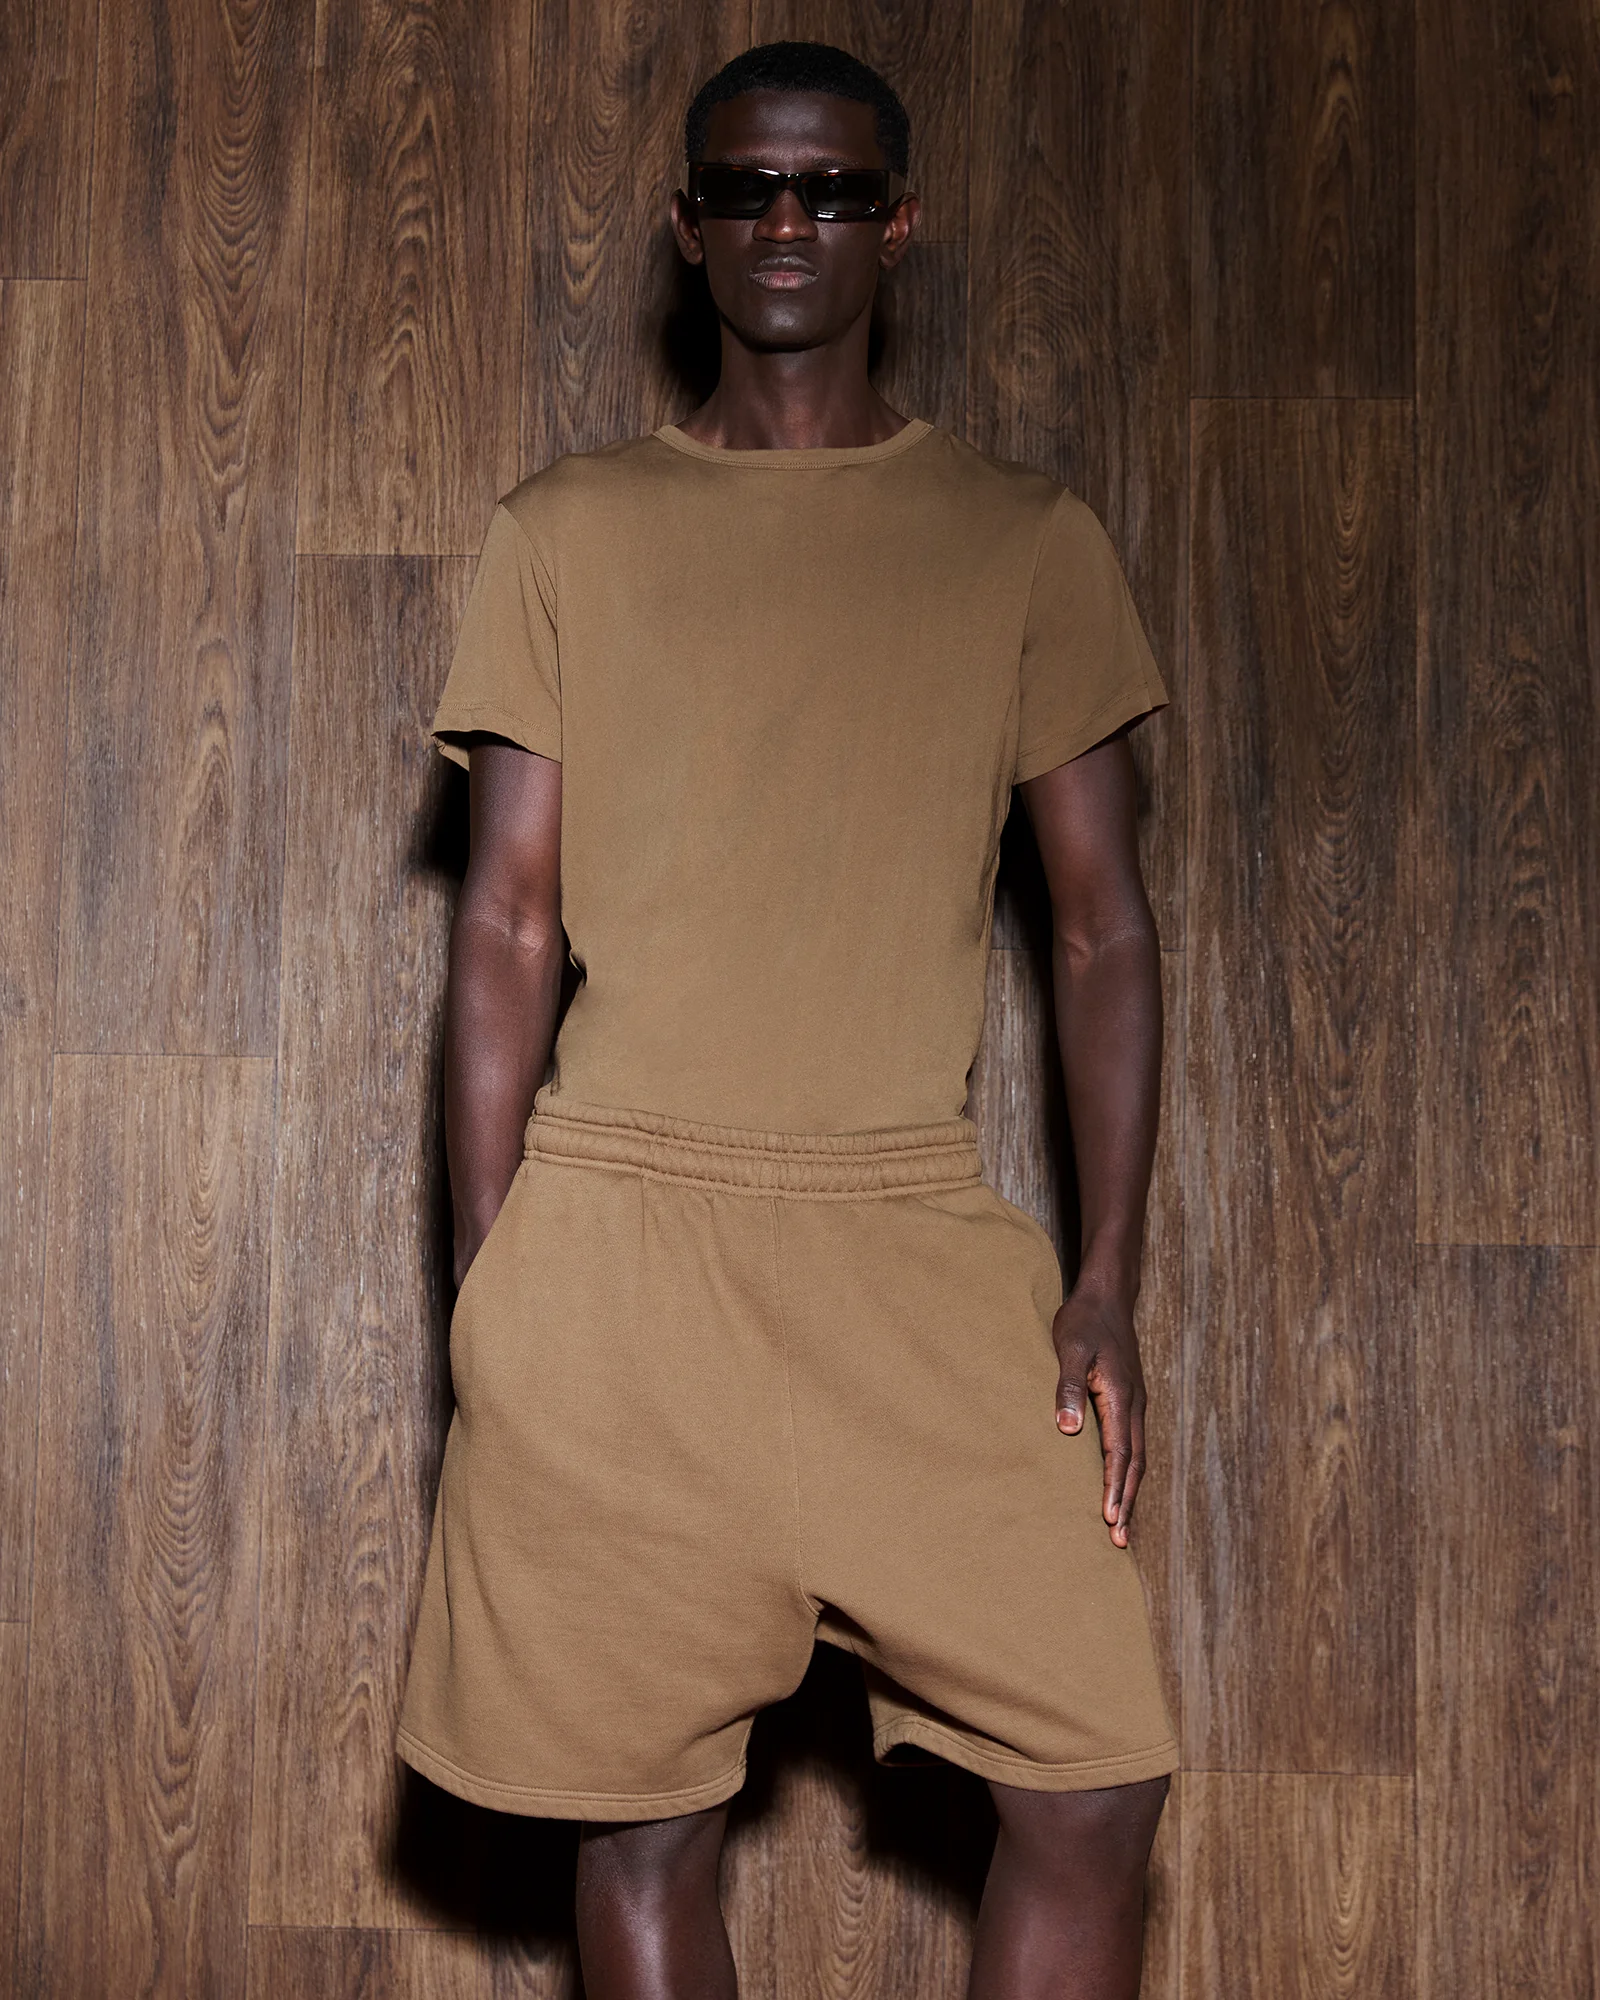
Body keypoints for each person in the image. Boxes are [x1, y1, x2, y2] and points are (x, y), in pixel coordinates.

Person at [396, 39, 1178, 2000]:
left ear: (898, 225)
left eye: (831, 189)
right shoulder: (566, 531)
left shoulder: (1021, 537)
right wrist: (491, 1276)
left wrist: (1105, 1277)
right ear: (688, 227)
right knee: (641, 1826)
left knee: (1094, 1782)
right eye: (746, 187)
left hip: (905, 1235)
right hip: (623, 1236)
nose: (785, 222)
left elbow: (1101, 929)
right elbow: (504, 922)